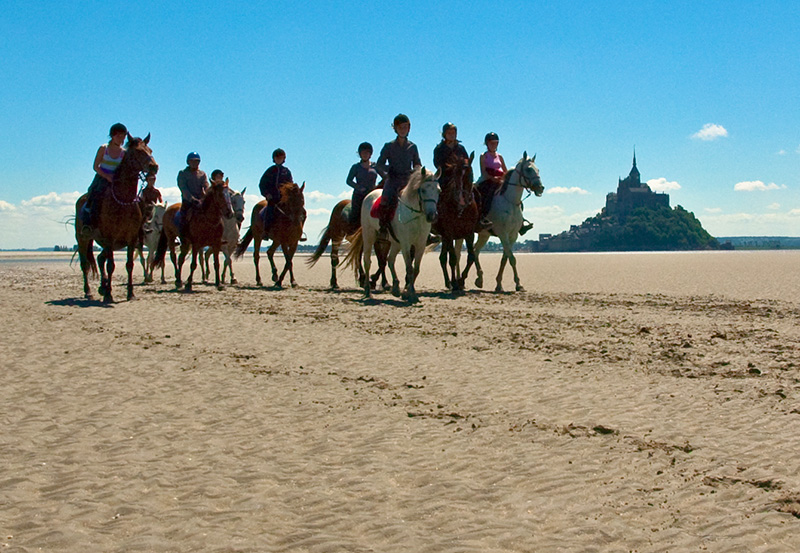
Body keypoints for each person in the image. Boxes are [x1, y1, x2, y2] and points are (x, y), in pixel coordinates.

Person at [477, 132, 533, 234]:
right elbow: (483, 172)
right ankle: (482, 218)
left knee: (515, 199)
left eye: (495, 143)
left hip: (499, 180)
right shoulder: (483, 156)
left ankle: (521, 222)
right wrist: (492, 178)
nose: (494, 145)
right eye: (491, 143)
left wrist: (503, 178)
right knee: (486, 196)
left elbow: (506, 171)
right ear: (487, 144)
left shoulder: (500, 156)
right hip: (487, 180)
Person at [375, 114, 421, 232]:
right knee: (386, 200)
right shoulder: (388, 146)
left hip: (408, 181)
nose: (403, 130)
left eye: (405, 127)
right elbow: (379, 165)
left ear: (409, 128)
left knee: (423, 198)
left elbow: (417, 165)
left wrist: (418, 174)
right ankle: (383, 227)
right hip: (393, 180)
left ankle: (427, 232)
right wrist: (387, 175)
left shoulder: (413, 147)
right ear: (395, 129)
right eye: (400, 127)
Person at [81, 122, 128, 230]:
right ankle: (87, 224)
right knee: (94, 194)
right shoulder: (104, 148)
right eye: (118, 136)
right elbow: (95, 166)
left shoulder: (124, 152)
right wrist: (107, 176)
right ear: (112, 136)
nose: (121, 139)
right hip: (102, 177)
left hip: (116, 180)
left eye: (123, 136)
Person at [258, 148, 294, 236]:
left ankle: (296, 232)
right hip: (273, 198)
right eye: (277, 158)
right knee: (269, 211)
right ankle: (266, 231)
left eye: (280, 158)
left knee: (296, 212)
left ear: (283, 159)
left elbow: (290, 185)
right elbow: (262, 184)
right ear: (274, 159)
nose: (279, 160)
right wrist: (267, 194)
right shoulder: (270, 171)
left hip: (284, 199)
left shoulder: (286, 171)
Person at [345, 142, 379, 227]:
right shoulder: (355, 167)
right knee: (356, 215)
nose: (365, 155)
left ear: (370, 154)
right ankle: (352, 231)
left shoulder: (375, 166)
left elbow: (385, 176)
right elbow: (348, 181)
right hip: (359, 195)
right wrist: (359, 187)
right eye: (363, 153)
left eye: (367, 153)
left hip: (372, 195)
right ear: (360, 154)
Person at [176, 152, 209, 238]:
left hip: (200, 201)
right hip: (188, 201)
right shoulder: (183, 173)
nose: (195, 163)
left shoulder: (202, 174)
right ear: (188, 162)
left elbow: (205, 185)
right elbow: (183, 188)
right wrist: (192, 199)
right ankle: (182, 237)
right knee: (183, 218)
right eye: (192, 161)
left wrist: (206, 194)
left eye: (197, 161)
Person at [432, 122, 469, 188]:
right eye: (449, 133)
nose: (452, 135)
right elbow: (437, 164)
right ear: (444, 134)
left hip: (461, 176)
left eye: (453, 133)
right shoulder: (439, 149)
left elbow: (467, 161)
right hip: (446, 178)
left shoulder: (461, 148)